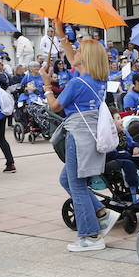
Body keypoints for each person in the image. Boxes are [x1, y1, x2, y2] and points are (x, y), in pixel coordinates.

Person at [42, 18, 116, 252]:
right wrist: (62, 33)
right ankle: (101, 214)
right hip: (91, 135)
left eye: (79, 50)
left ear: (84, 58)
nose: (73, 53)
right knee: (68, 179)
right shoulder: (98, 79)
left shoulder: (77, 83)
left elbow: (55, 107)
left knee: (76, 184)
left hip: (78, 135)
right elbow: (70, 51)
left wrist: (46, 86)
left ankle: (91, 236)